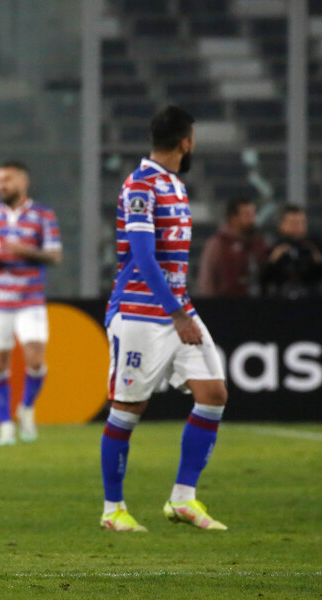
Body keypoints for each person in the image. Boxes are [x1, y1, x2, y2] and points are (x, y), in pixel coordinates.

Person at [101, 105, 228, 532]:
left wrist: (180, 309)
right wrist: (177, 313)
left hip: (178, 308)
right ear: (186, 140)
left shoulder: (174, 184)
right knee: (128, 408)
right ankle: (113, 508)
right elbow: (141, 254)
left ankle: (183, 498)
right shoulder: (140, 185)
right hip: (140, 313)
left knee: (213, 393)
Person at [0, 161, 61, 445]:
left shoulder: (43, 215)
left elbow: (55, 256)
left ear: (23, 182)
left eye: (7, 180)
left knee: (35, 359)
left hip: (30, 299)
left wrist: (24, 251)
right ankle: (6, 425)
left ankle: (27, 408)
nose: (1, 185)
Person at [197, 197, 267, 297]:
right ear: (233, 218)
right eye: (247, 214)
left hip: (255, 304)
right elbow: (206, 278)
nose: (252, 219)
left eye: (253, 214)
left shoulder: (258, 243)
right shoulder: (218, 243)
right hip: (226, 303)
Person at [261, 205, 322, 298]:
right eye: (293, 223)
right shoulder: (270, 245)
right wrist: (273, 260)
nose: (299, 227)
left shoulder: (315, 245)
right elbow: (263, 278)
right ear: (281, 225)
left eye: (302, 222)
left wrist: (317, 261)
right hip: (280, 300)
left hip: (312, 299)